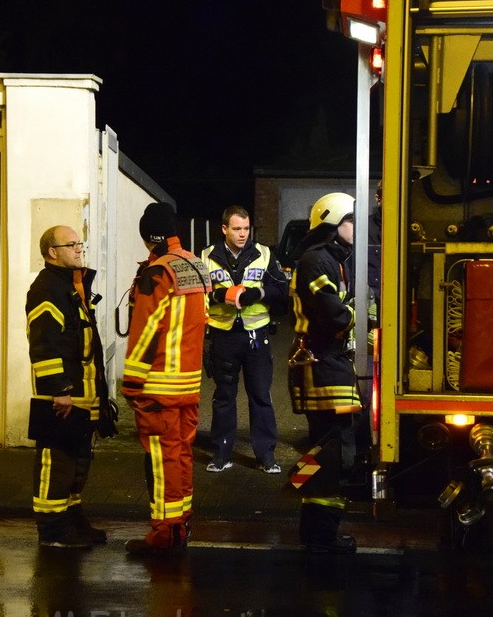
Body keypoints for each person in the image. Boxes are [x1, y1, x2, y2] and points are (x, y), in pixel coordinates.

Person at [122, 202, 210, 556]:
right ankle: (181, 524)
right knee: (181, 455)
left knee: (161, 460)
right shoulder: (195, 265)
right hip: (188, 382)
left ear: (147, 236)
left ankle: (164, 535)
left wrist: (131, 382)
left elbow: (145, 331)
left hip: (158, 383)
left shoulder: (156, 272)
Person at [25, 225, 116, 549]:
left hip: (81, 392)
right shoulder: (46, 289)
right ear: (52, 252)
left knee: (77, 461)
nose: (79, 249)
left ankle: (72, 519)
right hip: (62, 395)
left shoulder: (70, 286)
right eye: (71, 244)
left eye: (80, 243)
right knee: (56, 461)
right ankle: (52, 529)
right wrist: (59, 390)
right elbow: (46, 344)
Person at [287, 192, 362, 554]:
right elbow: (336, 315)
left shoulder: (334, 260)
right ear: (333, 224)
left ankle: (319, 529)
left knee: (331, 448)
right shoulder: (317, 261)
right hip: (321, 363)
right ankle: (319, 533)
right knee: (335, 451)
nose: (356, 229)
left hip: (330, 362)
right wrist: (360, 314)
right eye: (351, 222)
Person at [200, 205, 288, 473]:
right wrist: (218, 296)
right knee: (224, 396)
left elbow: (281, 289)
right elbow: (197, 293)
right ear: (224, 229)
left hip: (256, 335)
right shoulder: (206, 256)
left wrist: (256, 294)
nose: (243, 234)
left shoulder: (264, 254)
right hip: (222, 335)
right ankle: (222, 453)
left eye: (246, 229)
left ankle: (266, 455)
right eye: (237, 229)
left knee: (260, 395)